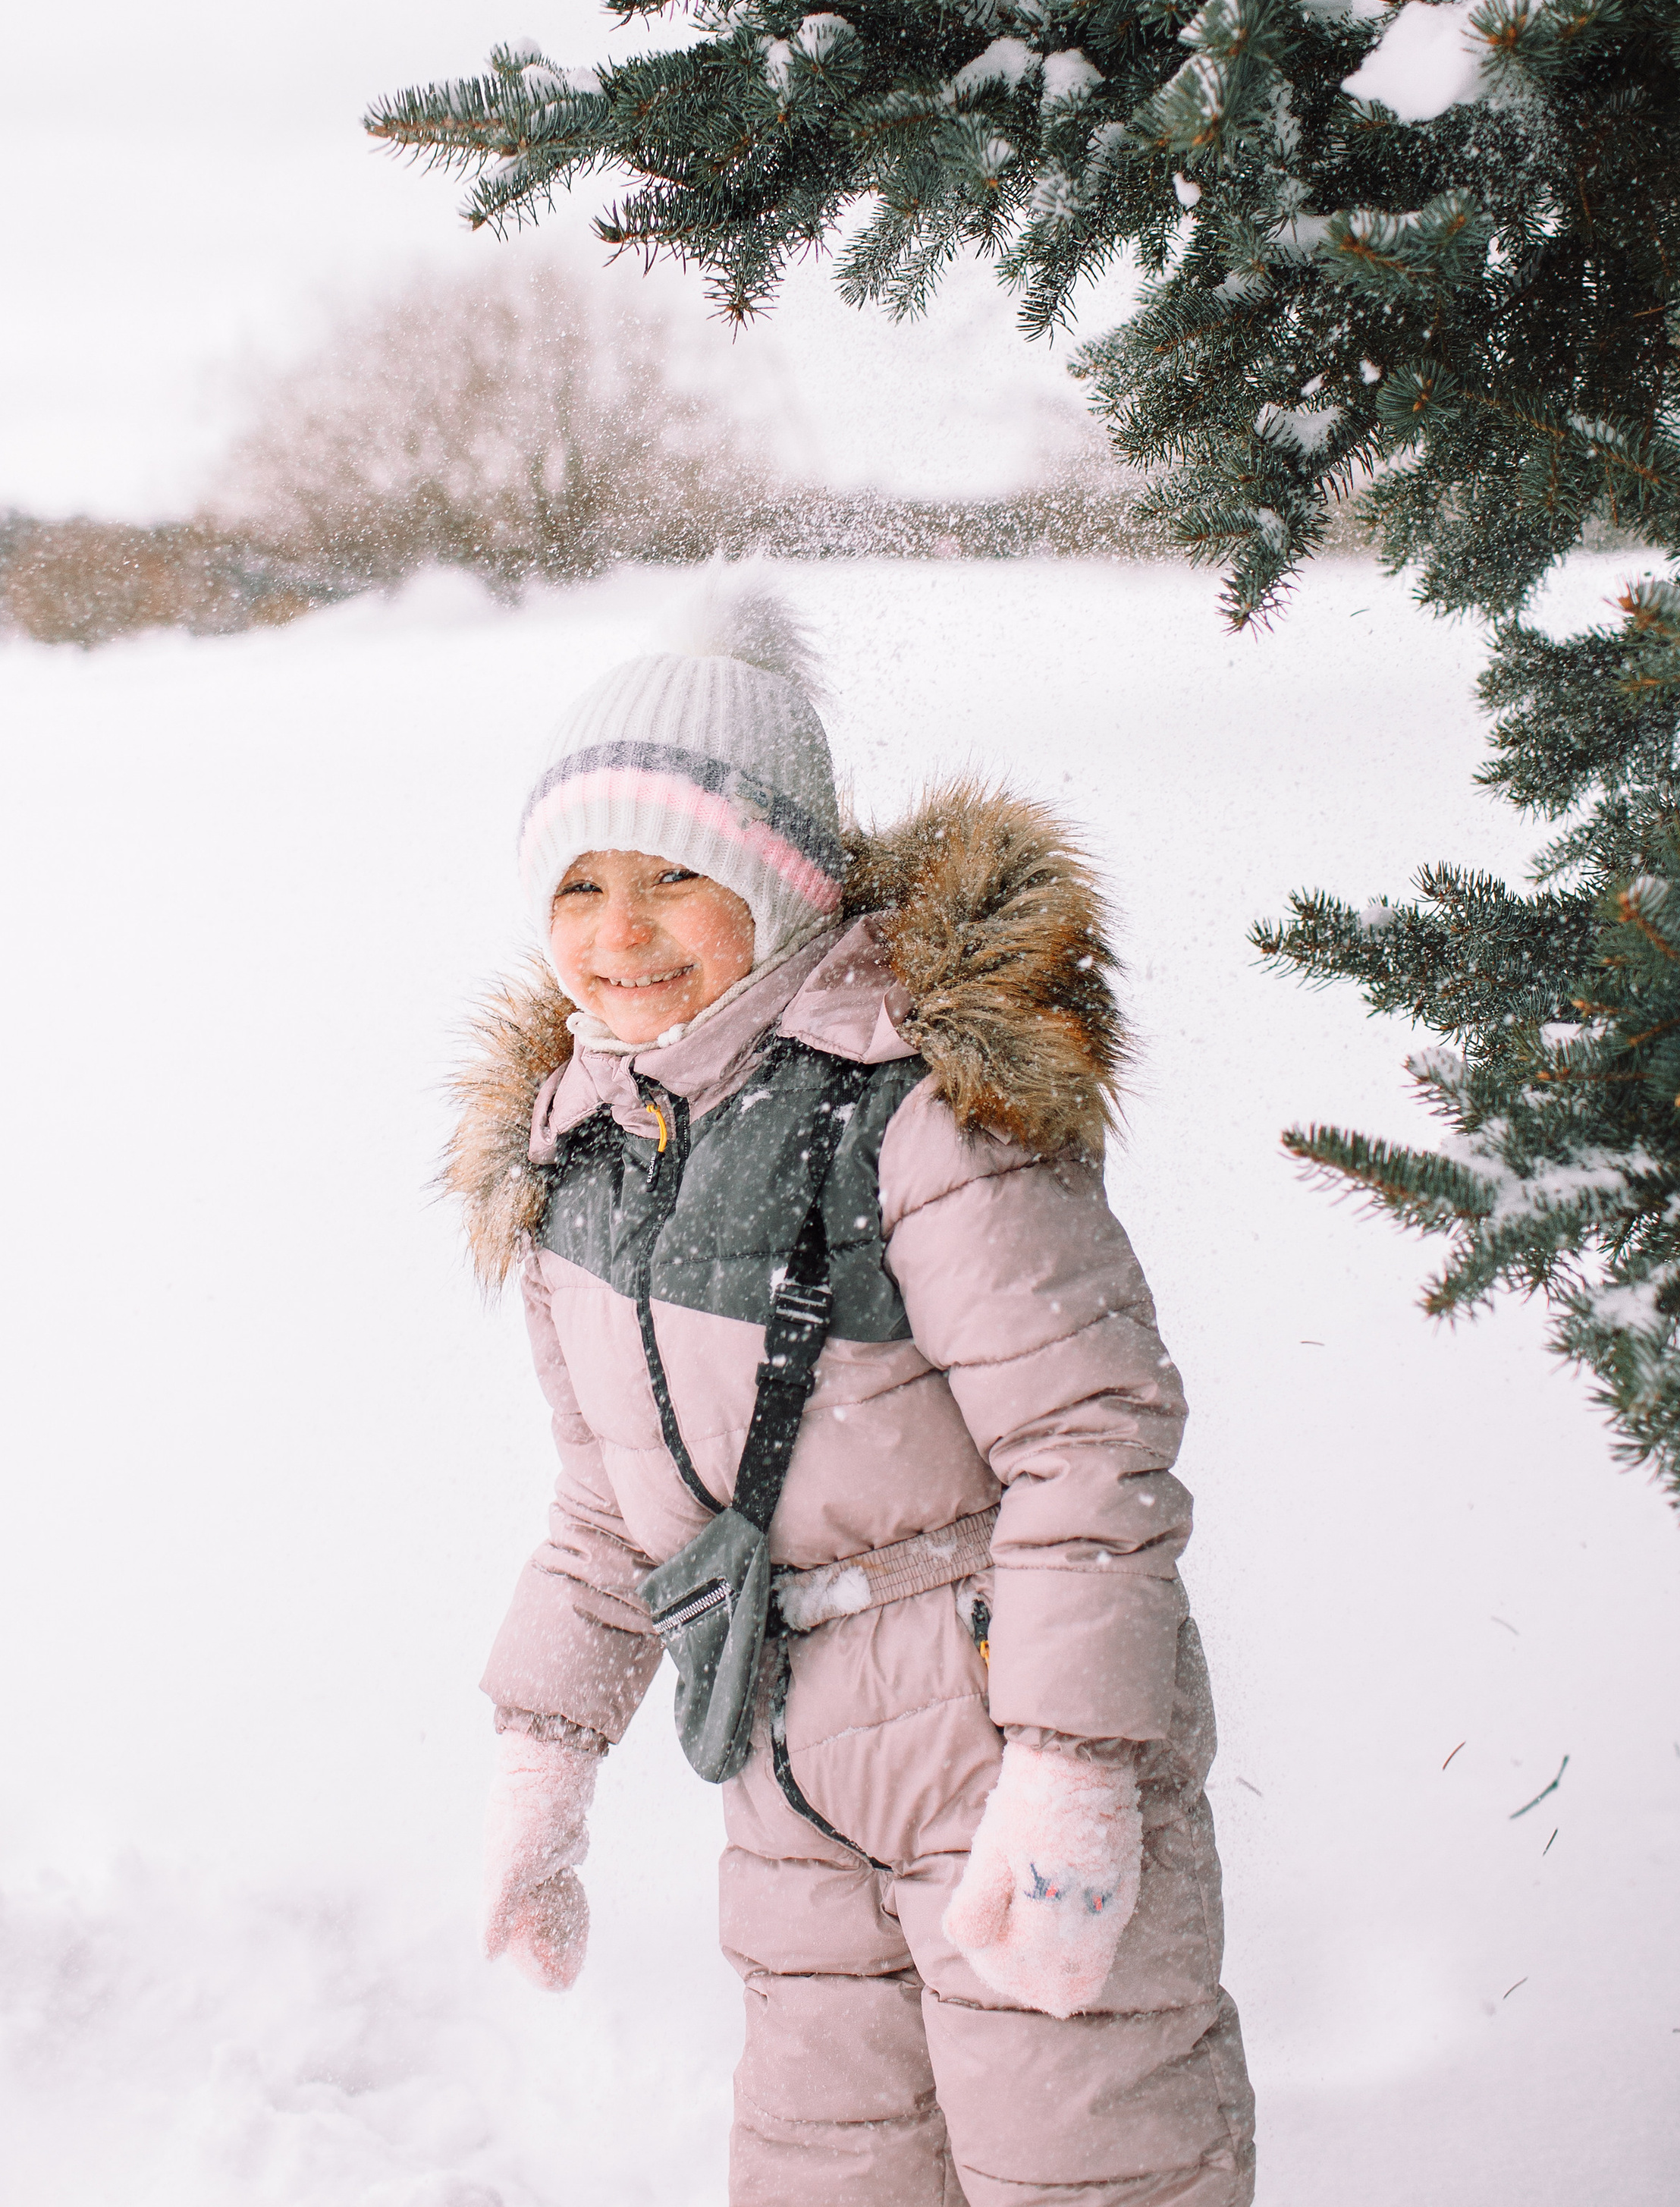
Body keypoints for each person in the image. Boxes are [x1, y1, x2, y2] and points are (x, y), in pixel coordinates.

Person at [449, 583, 1254, 2207]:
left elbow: (1087, 1444)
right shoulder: (580, 1162)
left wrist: (1068, 1756)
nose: (621, 928)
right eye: (581, 883)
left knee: (1079, 2160)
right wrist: (543, 1768)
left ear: (782, 882)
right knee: (832, 2175)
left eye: (676, 875)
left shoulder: (914, 1114)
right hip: (778, 1760)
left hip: (987, 1722)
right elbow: (614, 1509)